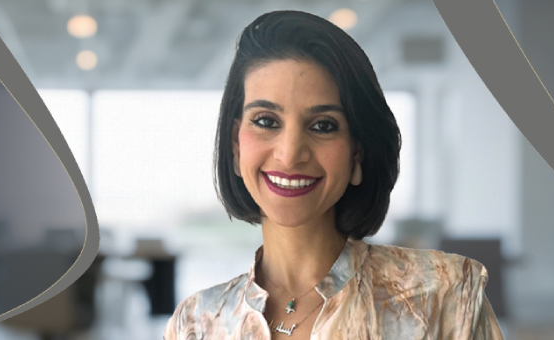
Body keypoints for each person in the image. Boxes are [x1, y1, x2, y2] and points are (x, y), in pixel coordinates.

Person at [163, 10, 505, 340]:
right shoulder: (196, 323)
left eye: (323, 126)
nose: (290, 154)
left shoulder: (445, 298)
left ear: (357, 152)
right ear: (236, 146)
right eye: (266, 121)